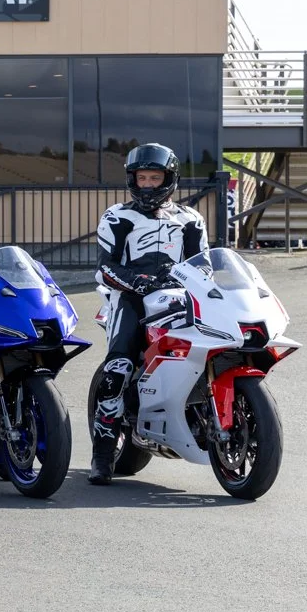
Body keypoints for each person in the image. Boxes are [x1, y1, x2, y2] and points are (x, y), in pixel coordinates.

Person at [88, 143, 206, 485]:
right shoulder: (117, 216)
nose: (148, 184)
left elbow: (205, 263)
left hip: (179, 298)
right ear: (132, 180)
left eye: (156, 178)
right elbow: (106, 267)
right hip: (130, 298)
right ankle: (103, 455)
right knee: (118, 366)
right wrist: (135, 281)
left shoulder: (191, 219)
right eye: (142, 178)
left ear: (169, 179)